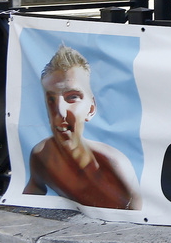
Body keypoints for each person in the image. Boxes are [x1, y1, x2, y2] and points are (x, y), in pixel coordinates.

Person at [23, 45, 141, 210]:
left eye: (72, 97)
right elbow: (30, 196)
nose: (60, 111)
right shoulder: (41, 155)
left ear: (91, 109)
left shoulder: (113, 165)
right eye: (51, 99)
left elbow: (139, 217)